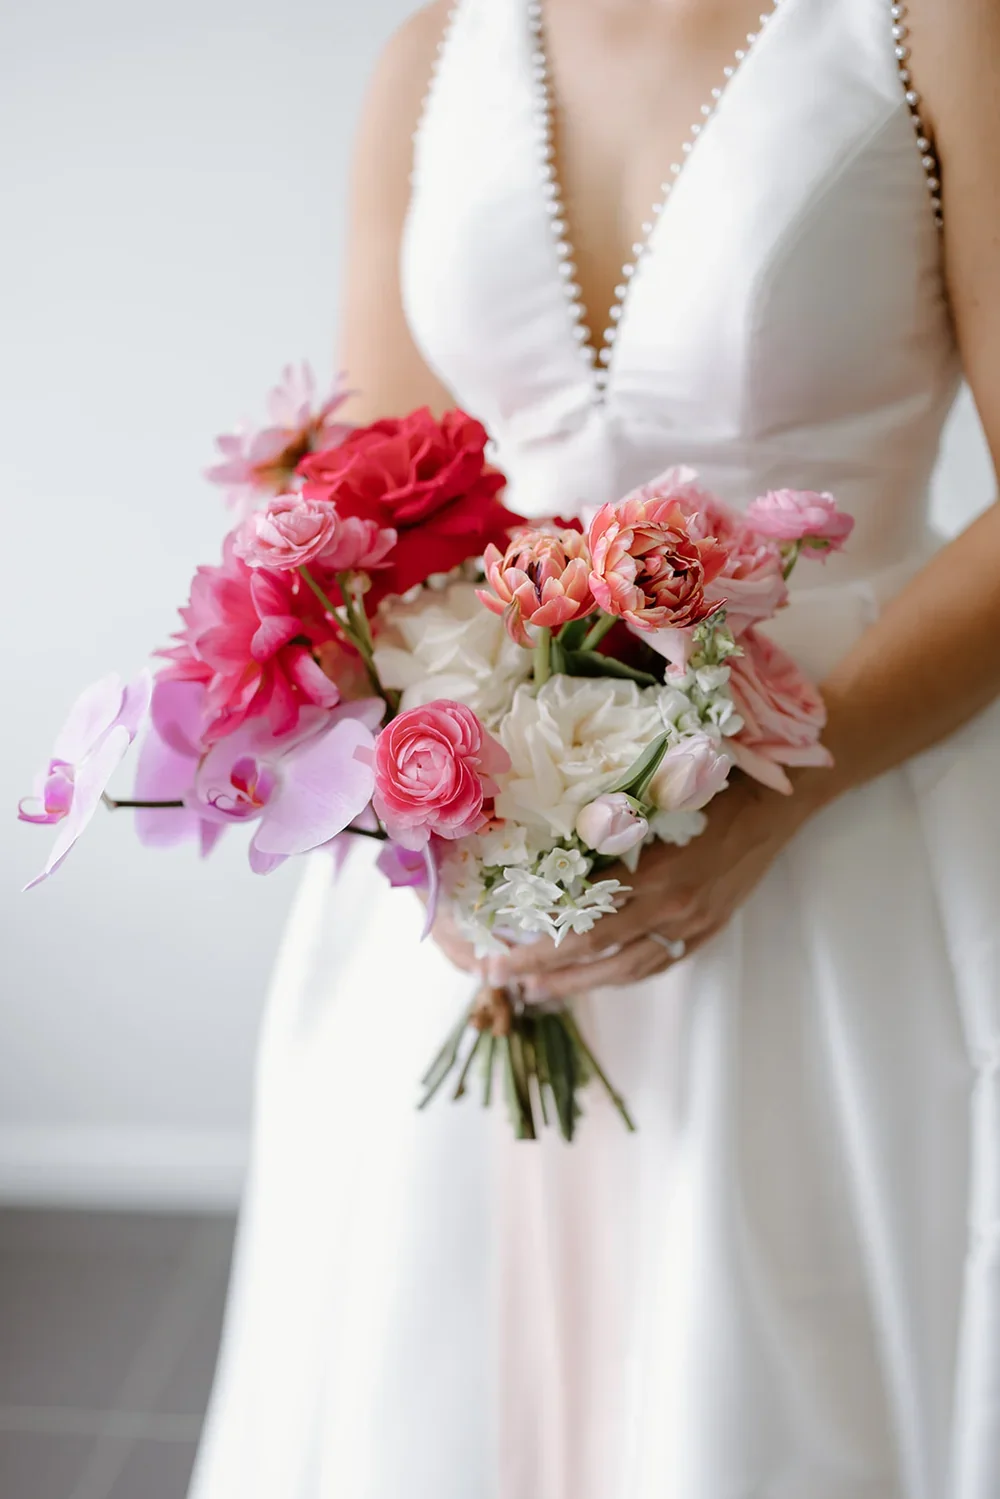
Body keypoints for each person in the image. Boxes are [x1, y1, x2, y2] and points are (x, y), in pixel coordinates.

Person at [188, 1, 1000, 1495]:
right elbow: (391, 501)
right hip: (498, 818)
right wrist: (466, 808)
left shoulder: (934, 29)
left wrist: (774, 800)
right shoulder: (434, 52)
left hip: (860, 818)